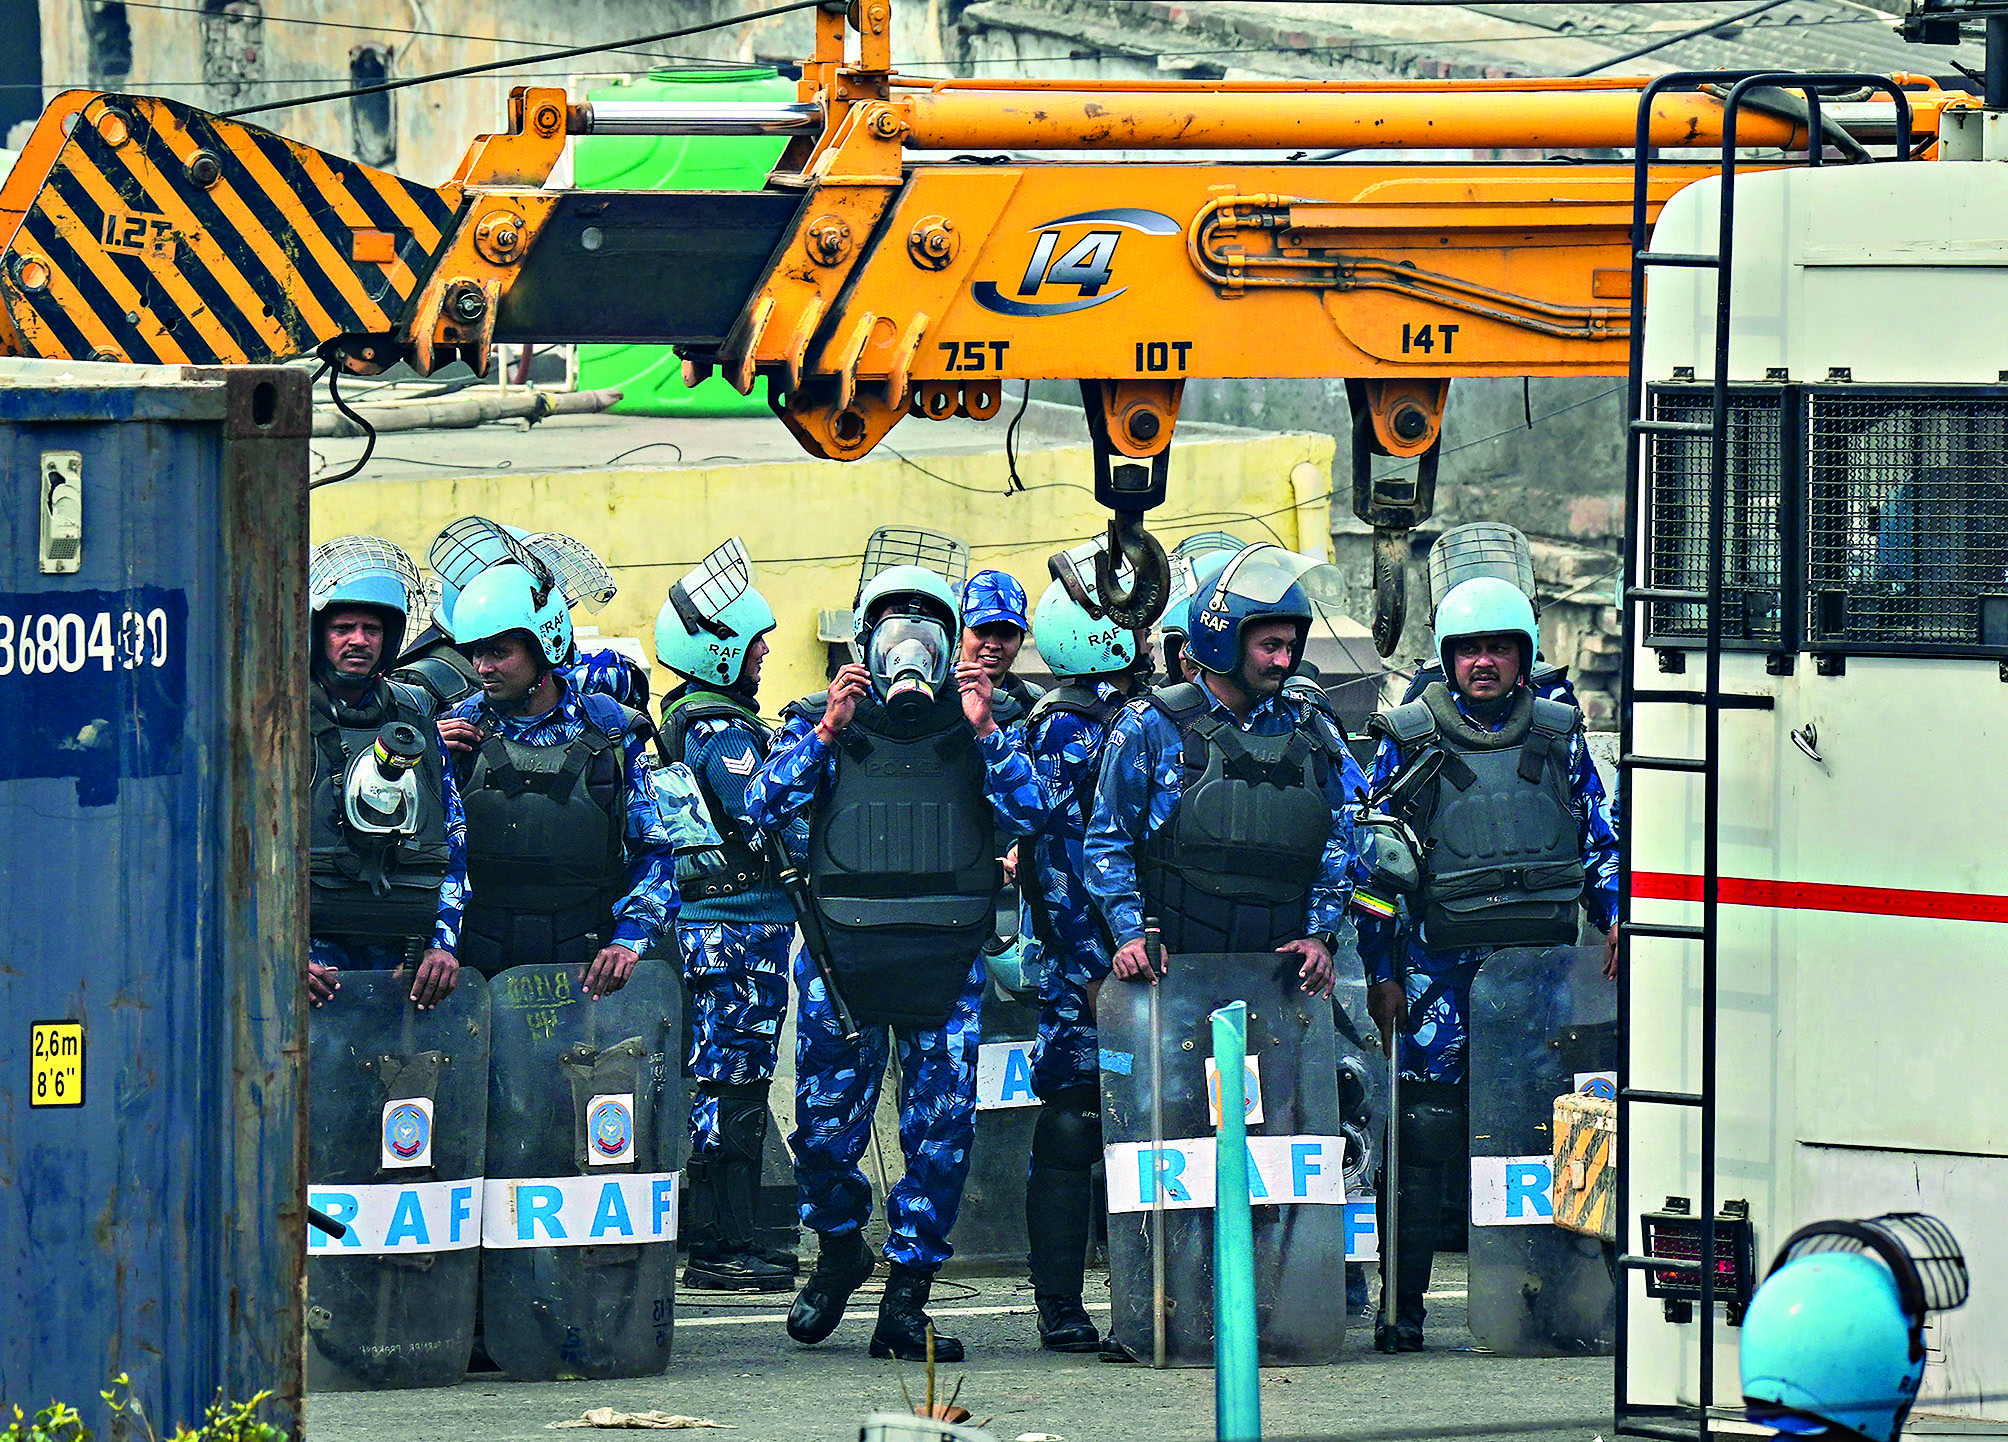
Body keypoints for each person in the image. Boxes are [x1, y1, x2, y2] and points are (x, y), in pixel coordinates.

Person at [745, 562, 1048, 1363]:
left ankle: (907, 1301)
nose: (907, 646)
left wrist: (985, 732)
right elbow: (761, 811)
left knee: (941, 1138)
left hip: (945, 961)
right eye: (891, 627)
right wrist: (826, 732)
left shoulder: (981, 724)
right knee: (820, 1137)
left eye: (926, 630)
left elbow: (1032, 814)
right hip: (843, 963)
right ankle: (841, 1246)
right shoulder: (822, 721)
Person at [1356, 575, 1620, 1351]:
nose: (1483, 662)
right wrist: (1381, 973)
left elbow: (1601, 844)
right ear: (1447, 656)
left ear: (1523, 655)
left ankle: (1563, 1300)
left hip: (1540, 970)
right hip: (1438, 972)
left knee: (1563, 1132)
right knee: (1426, 1132)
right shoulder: (1407, 739)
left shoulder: (1561, 735)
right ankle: (1400, 1309)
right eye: (1468, 648)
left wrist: (1615, 924)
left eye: (1498, 647)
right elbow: (1375, 875)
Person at [1085, 543, 1364, 990]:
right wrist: (1129, 934)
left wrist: (1321, 937)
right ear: (1223, 642)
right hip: (1176, 974)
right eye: (1269, 646)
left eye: (1291, 647)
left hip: (1281, 980)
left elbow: (1341, 838)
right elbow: (1107, 839)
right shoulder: (1152, 725)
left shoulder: (1312, 726)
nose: (1284, 661)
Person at [654, 539, 797, 1293]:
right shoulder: (723, 731)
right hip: (736, 930)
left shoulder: (689, 717)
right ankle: (721, 1247)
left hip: (722, 929)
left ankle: (725, 1239)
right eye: (754, 643)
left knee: (726, 1082)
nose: (766, 652)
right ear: (717, 651)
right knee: (733, 1086)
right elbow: (767, 821)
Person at [436, 559, 679, 994]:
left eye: (498, 651)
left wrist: (629, 940)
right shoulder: (455, 732)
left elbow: (656, 852)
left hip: (586, 971)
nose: (482, 667)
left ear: (544, 646)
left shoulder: (613, 732)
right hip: (477, 974)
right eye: (476, 652)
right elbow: (436, 857)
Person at [1018, 578, 1153, 1353]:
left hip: (1148, 955)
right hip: (1094, 968)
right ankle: (1060, 1306)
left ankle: (1159, 1294)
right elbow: (1060, 862)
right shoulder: (1070, 725)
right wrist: (1089, 965)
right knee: (1073, 1123)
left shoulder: (1141, 710)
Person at [305, 537, 464, 1011]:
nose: (359, 640)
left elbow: (453, 836)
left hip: (404, 957)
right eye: (343, 628)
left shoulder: (413, 717)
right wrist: (276, 954)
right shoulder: (274, 717)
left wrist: (443, 943)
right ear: (317, 634)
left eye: (372, 628)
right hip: (312, 954)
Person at [394, 519, 648, 713]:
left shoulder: (596, 685)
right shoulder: (426, 683)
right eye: (482, 652)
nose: (485, 667)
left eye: (500, 652)